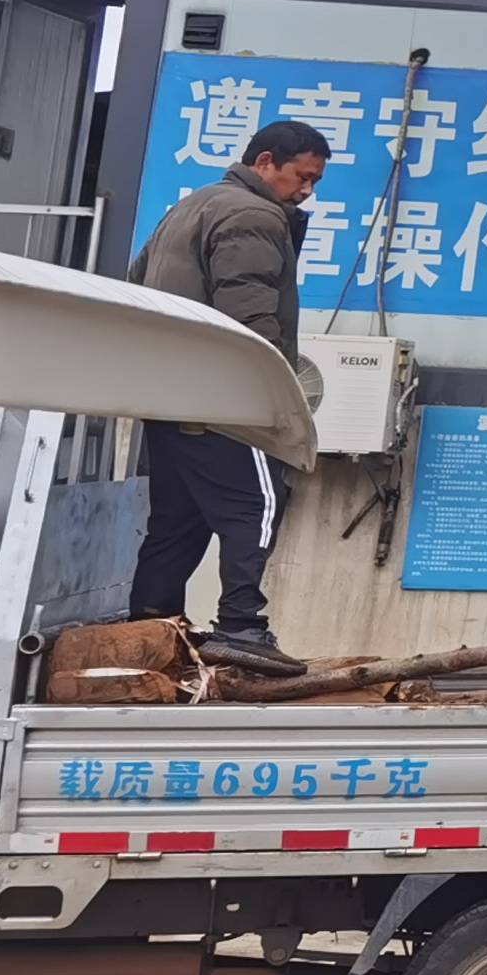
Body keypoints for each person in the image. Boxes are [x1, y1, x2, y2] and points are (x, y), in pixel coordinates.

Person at [128, 118, 334, 677]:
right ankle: (241, 626)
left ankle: (147, 631)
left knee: (177, 521)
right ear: (264, 162)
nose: (307, 190)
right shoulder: (253, 215)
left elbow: (135, 283)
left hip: (170, 399)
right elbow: (250, 317)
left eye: (314, 182)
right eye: (302, 177)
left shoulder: (190, 207)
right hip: (226, 401)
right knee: (258, 506)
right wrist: (272, 393)